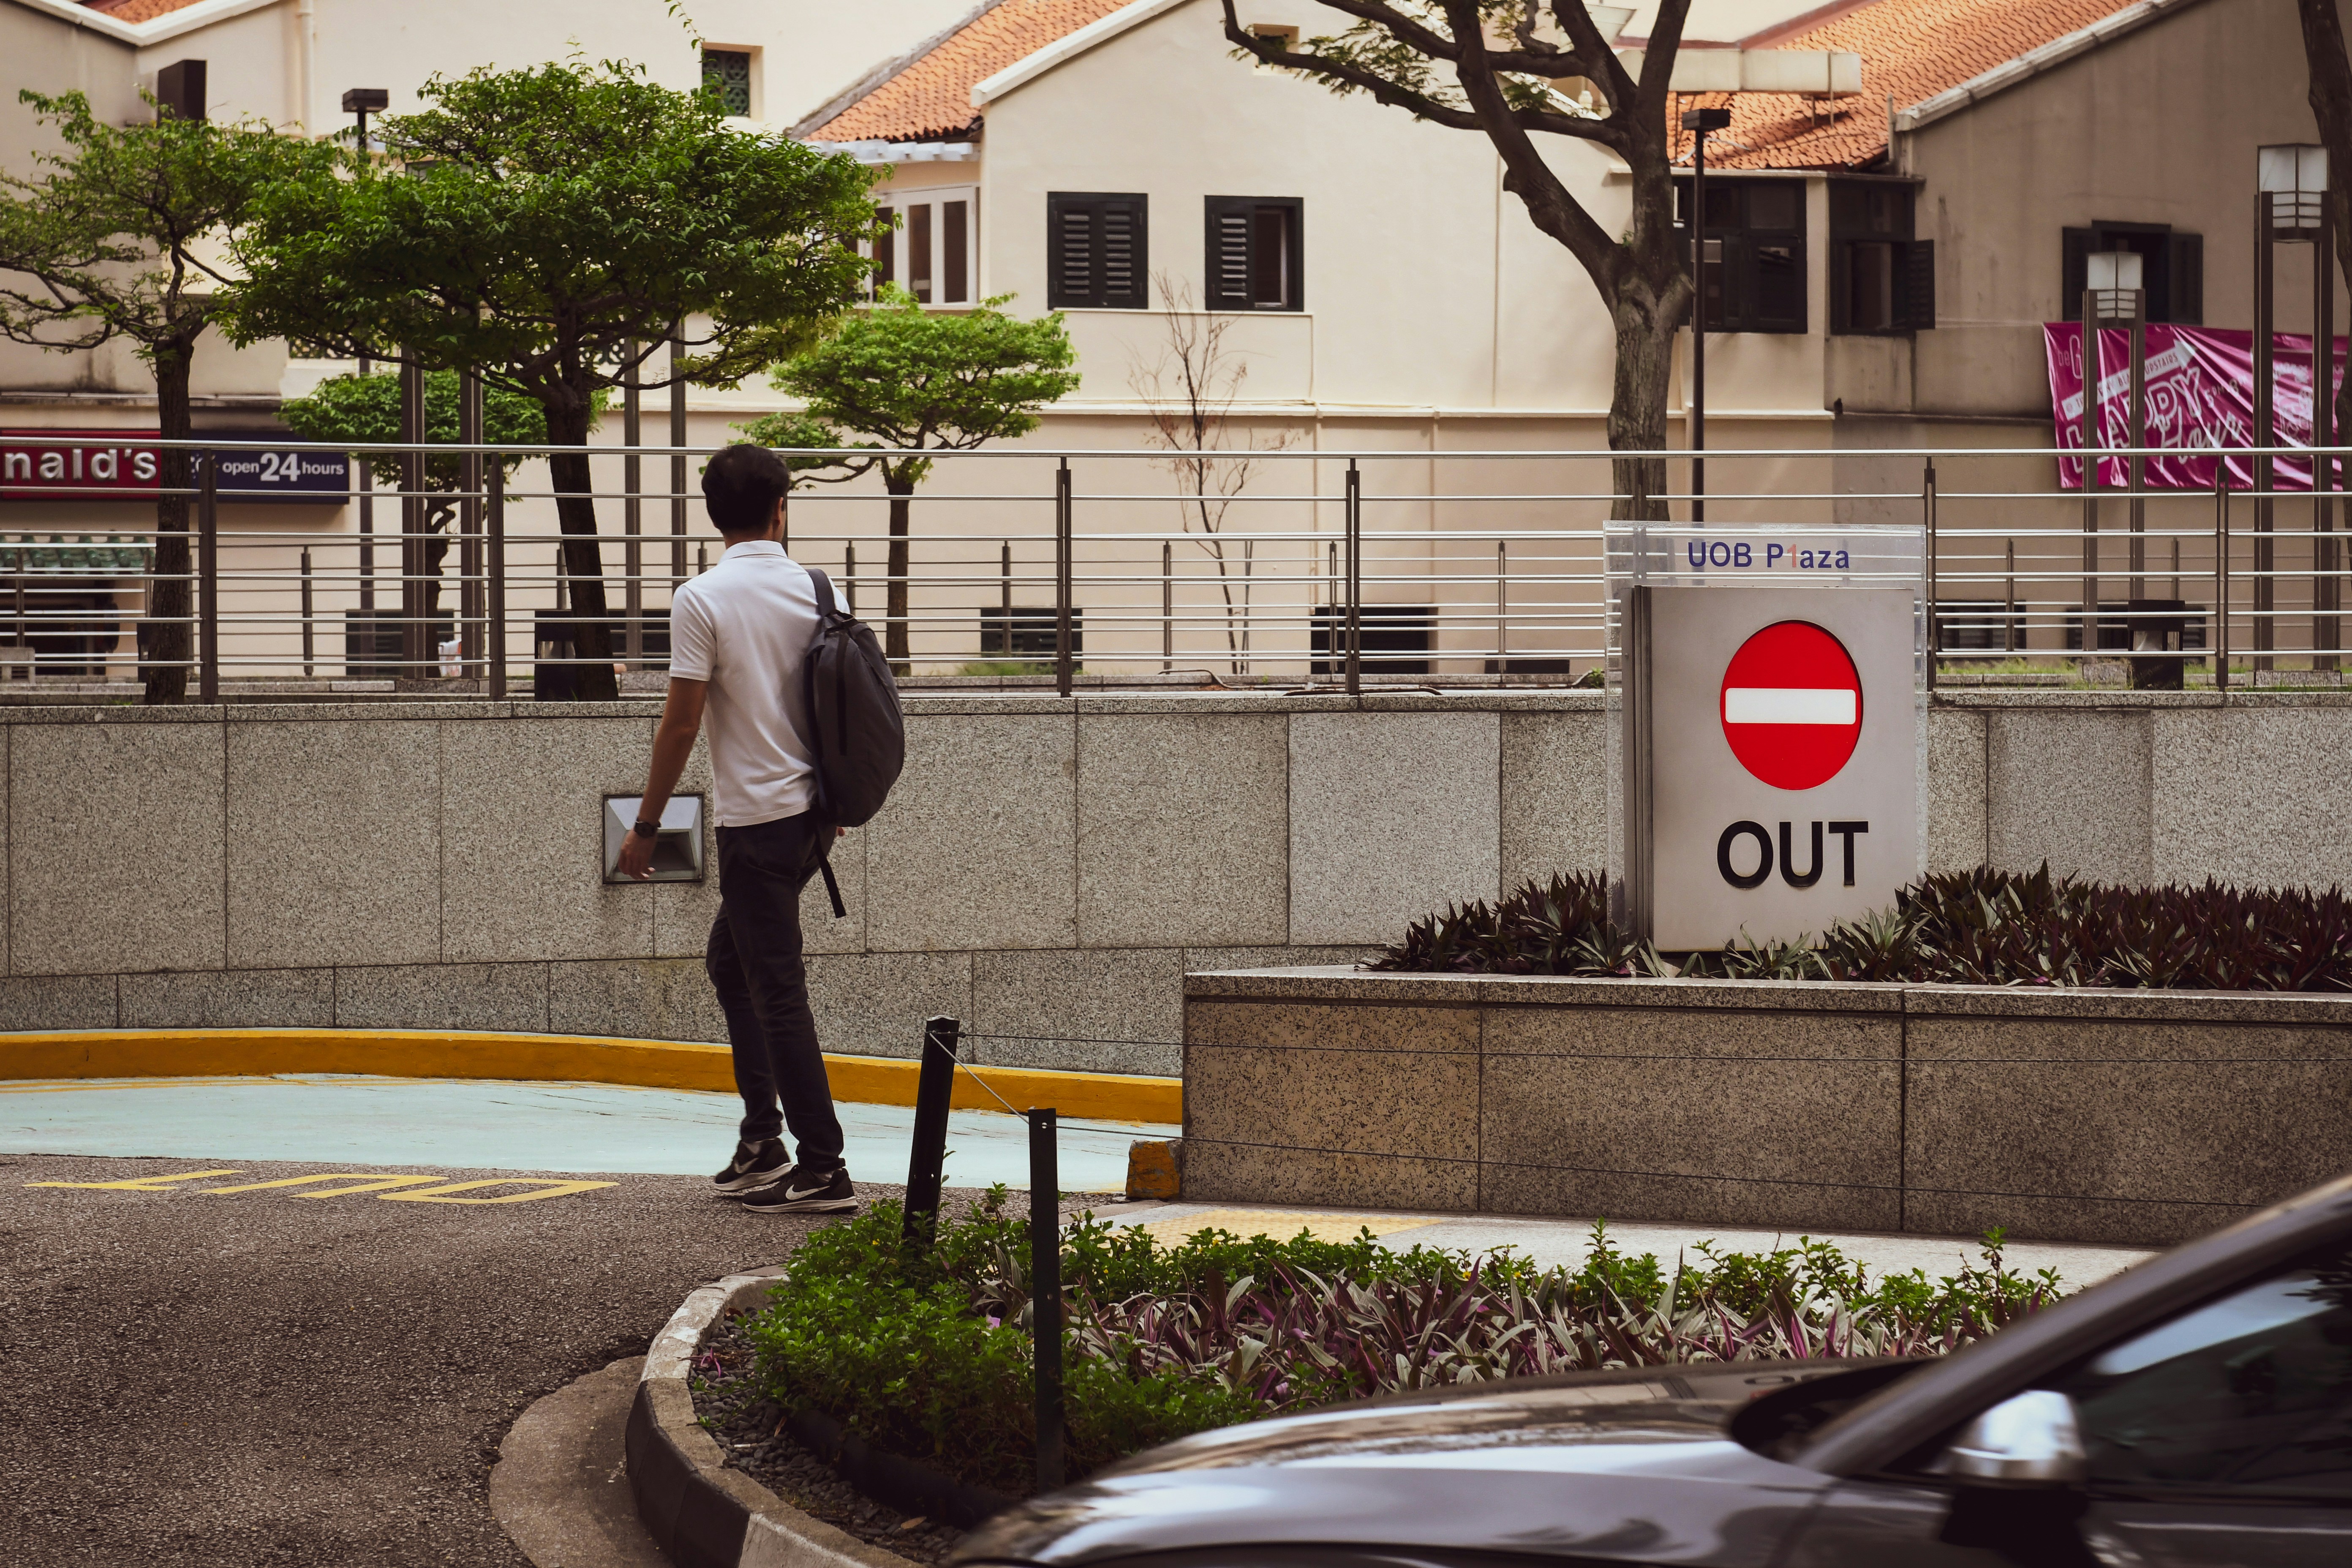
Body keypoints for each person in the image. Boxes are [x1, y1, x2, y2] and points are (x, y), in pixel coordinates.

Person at [616, 443, 856, 1214]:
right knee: (732, 963)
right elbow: (840, 703)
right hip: (810, 820)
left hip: (754, 824)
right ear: (781, 507)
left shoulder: (702, 598)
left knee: (777, 990)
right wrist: (833, 803)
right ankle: (762, 1140)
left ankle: (822, 1164)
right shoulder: (820, 587)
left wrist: (646, 825)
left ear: (713, 515)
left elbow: (680, 724)